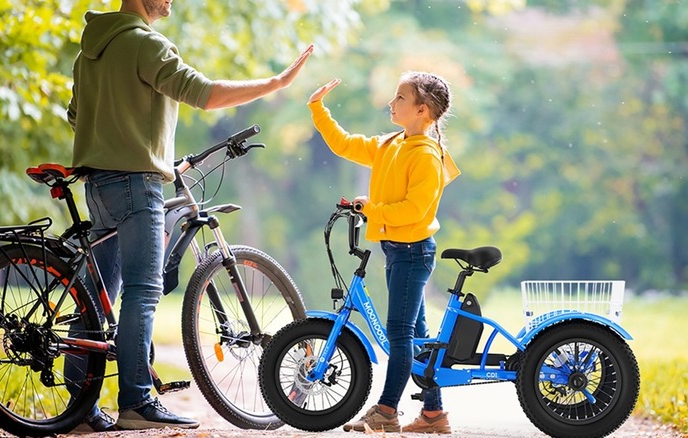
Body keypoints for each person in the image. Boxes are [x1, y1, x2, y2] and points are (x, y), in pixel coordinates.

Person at [64, 0, 314, 432]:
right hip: (135, 184)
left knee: (94, 295)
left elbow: (77, 116)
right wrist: (276, 82)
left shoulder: (90, 50)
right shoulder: (146, 44)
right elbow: (206, 94)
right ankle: (137, 402)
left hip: (97, 184)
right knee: (143, 291)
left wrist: (139, 147)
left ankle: (81, 407)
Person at [307, 72, 460, 434]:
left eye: (400, 98)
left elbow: (414, 211)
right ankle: (434, 416)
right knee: (416, 333)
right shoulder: (393, 143)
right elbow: (346, 145)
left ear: (422, 110)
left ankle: (387, 411)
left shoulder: (425, 155)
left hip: (412, 252)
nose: (392, 104)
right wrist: (317, 109)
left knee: (399, 334)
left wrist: (370, 208)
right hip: (397, 251)